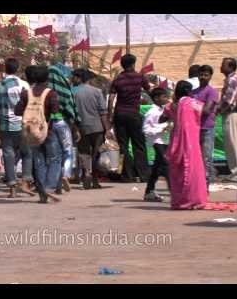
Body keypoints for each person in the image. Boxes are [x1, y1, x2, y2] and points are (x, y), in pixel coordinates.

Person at [15, 65, 60, 203]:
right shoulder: (50, 93)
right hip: (47, 131)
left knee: (39, 161)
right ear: (47, 78)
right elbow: (55, 111)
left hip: (31, 132)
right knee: (54, 159)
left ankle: (42, 192)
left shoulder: (26, 93)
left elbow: (17, 111)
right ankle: (49, 186)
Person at [160, 80, 207, 210]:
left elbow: (161, 119)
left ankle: (179, 200)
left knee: (177, 170)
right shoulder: (192, 103)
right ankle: (192, 199)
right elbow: (205, 110)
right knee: (192, 168)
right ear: (188, 91)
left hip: (176, 139)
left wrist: (174, 115)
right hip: (190, 140)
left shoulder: (171, 106)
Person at [0, 58, 33, 198]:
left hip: (5, 125)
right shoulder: (24, 85)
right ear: (17, 69)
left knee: (8, 156)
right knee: (27, 154)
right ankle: (26, 181)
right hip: (22, 124)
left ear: (5, 68)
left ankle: (12, 188)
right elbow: (30, 106)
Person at [108, 54, 151, 182]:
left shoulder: (118, 79)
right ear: (133, 64)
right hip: (134, 114)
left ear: (122, 65)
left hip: (119, 115)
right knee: (139, 145)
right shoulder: (140, 77)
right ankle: (143, 175)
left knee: (123, 146)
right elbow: (149, 91)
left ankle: (126, 175)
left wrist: (110, 116)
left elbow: (111, 99)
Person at [72, 68, 111, 189]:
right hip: (97, 127)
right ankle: (94, 179)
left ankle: (86, 173)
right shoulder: (97, 92)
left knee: (84, 152)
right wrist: (107, 128)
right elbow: (103, 112)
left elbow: (72, 112)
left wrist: (74, 128)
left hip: (81, 127)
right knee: (95, 153)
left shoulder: (74, 93)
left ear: (79, 78)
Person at [47, 64, 81, 193]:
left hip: (49, 124)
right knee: (67, 152)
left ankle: (55, 184)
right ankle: (65, 175)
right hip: (62, 122)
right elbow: (71, 108)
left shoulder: (44, 90)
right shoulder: (66, 89)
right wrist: (75, 127)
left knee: (54, 156)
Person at [190, 65, 218, 190]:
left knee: (206, 158)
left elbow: (207, 110)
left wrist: (193, 107)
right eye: (201, 74)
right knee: (195, 158)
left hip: (206, 128)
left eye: (206, 75)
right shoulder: (193, 92)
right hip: (194, 128)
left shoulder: (212, 91)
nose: (203, 77)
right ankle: (197, 185)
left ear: (210, 76)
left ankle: (205, 186)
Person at [143, 87, 170, 202]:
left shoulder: (162, 110)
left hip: (164, 141)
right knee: (166, 165)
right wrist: (162, 128)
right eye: (164, 96)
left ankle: (149, 191)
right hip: (156, 141)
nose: (166, 99)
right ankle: (174, 190)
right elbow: (146, 129)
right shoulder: (152, 112)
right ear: (156, 98)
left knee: (157, 168)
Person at [219, 58, 237, 181]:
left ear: (230, 67)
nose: (221, 66)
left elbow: (228, 100)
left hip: (231, 113)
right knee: (231, 143)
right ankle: (235, 171)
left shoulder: (232, 80)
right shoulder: (229, 79)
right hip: (229, 113)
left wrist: (218, 109)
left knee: (233, 142)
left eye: (223, 65)